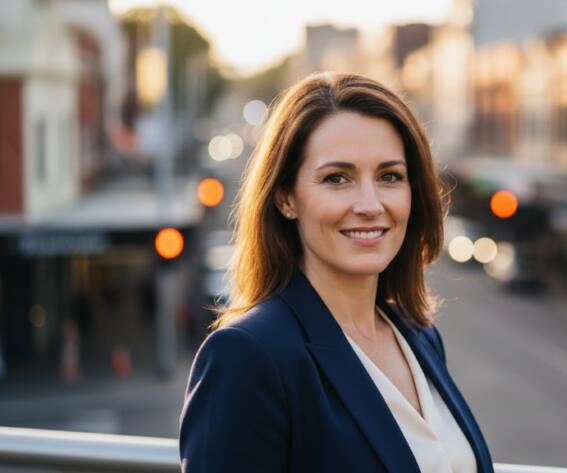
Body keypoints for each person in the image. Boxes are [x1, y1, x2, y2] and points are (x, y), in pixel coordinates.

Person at [179, 73, 494, 473]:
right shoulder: (247, 357)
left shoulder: (420, 337)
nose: (369, 203)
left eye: (389, 176)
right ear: (286, 198)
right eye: (337, 179)